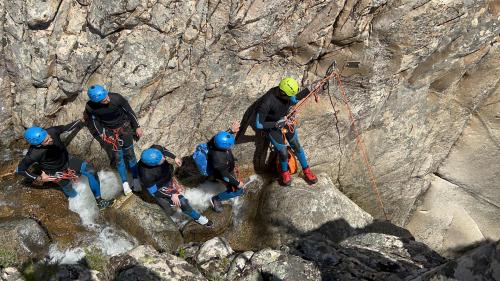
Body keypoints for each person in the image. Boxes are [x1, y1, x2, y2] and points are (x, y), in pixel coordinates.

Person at [15, 123, 115, 209]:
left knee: (91, 172)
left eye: (48, 136)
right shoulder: (33, 154)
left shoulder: (52, 131)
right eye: (46, 141)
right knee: (71, 192)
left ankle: (100, 201)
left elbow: (66, 127)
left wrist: (80, 121)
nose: (50, 139)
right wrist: (40, 178)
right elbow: (20, 170)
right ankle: (79, 209)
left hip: (67, 160)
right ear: (38, 145)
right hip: (55, 172)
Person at [255, 77, 318, 186]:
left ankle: (306, 170)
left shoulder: (286, 92)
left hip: (285, 120)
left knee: (296, 145)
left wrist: (311, 88)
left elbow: (295, 99)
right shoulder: (267, 101)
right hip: (272, 126)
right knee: (283, 152)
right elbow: (259, 124)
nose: (292, 98)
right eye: (289, 96)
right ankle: (284, 173)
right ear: (283, 93)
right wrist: (275, 124)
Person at [84, 84, 142, 196]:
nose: (107, 99)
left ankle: (136, 178)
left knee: (130, 154)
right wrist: (101, 133)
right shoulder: (91, 107)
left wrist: (137, 126)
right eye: (103, 99)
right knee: (119, 158)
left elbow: (129, 112)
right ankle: (125, 183)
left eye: (106, 96)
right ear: (96, 101)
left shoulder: (116, 98)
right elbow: (94, 121)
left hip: (124, 128)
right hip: (110, 132)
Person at [138, 145, 213, 227]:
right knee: (183, 202)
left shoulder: (155, 150)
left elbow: (163, 149)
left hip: (166, 176)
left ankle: (171, 200)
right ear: (153, 165)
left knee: (175, 190)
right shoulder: (146, 175)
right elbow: (154, 192)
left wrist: (175, 157)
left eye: (162, 156)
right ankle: (198, 218)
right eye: (160, 160)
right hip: (160, 186)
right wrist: (172, 195)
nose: (163, 158)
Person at [208, 121, 245, 213]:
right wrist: (237, 184)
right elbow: (225, 175)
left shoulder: (214, 142)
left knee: (235, 185)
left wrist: (231, 131)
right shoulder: (219, 160)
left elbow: (219, 137)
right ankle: (216, 199)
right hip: (223, 173)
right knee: (238, 191)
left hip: (226, 168)